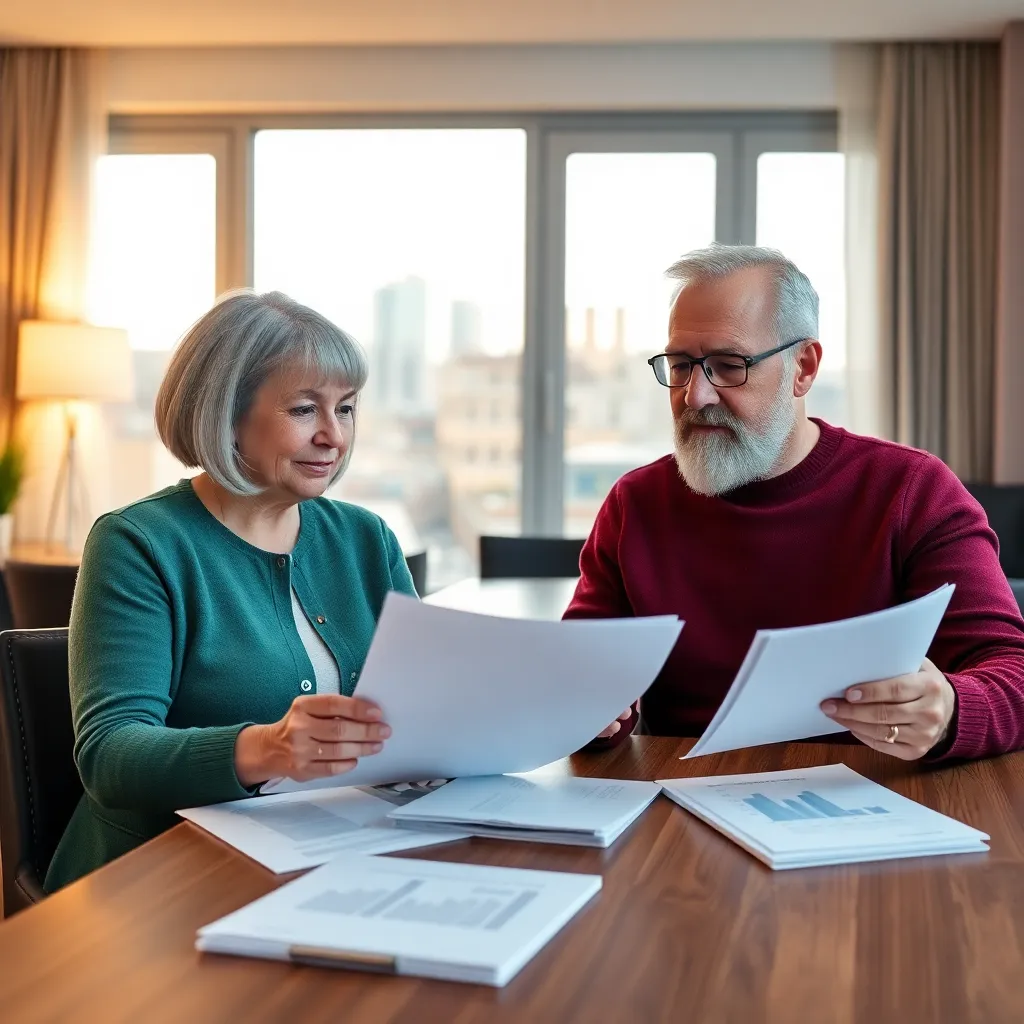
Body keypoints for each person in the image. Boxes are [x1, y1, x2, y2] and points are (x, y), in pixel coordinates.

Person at [567, 244, 1024, 762]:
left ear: (803, 368)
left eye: (728, 365)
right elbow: (576, 680)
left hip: (871, 790)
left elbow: (1013, 674)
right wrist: (585, 713)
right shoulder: (635, 504)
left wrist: (951, 711)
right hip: (677, 792)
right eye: (681, 365)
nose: (695, 396)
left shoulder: (912, 491)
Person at [45, 291, 414, 892]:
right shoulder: (137, 543)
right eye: (304, 410)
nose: (334, 436)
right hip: (156, 878)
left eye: (345, 409)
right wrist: (268, 748)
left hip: (328, 852)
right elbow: (109, 756)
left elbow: (422, 707)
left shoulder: (366, 537)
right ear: (226, 414)